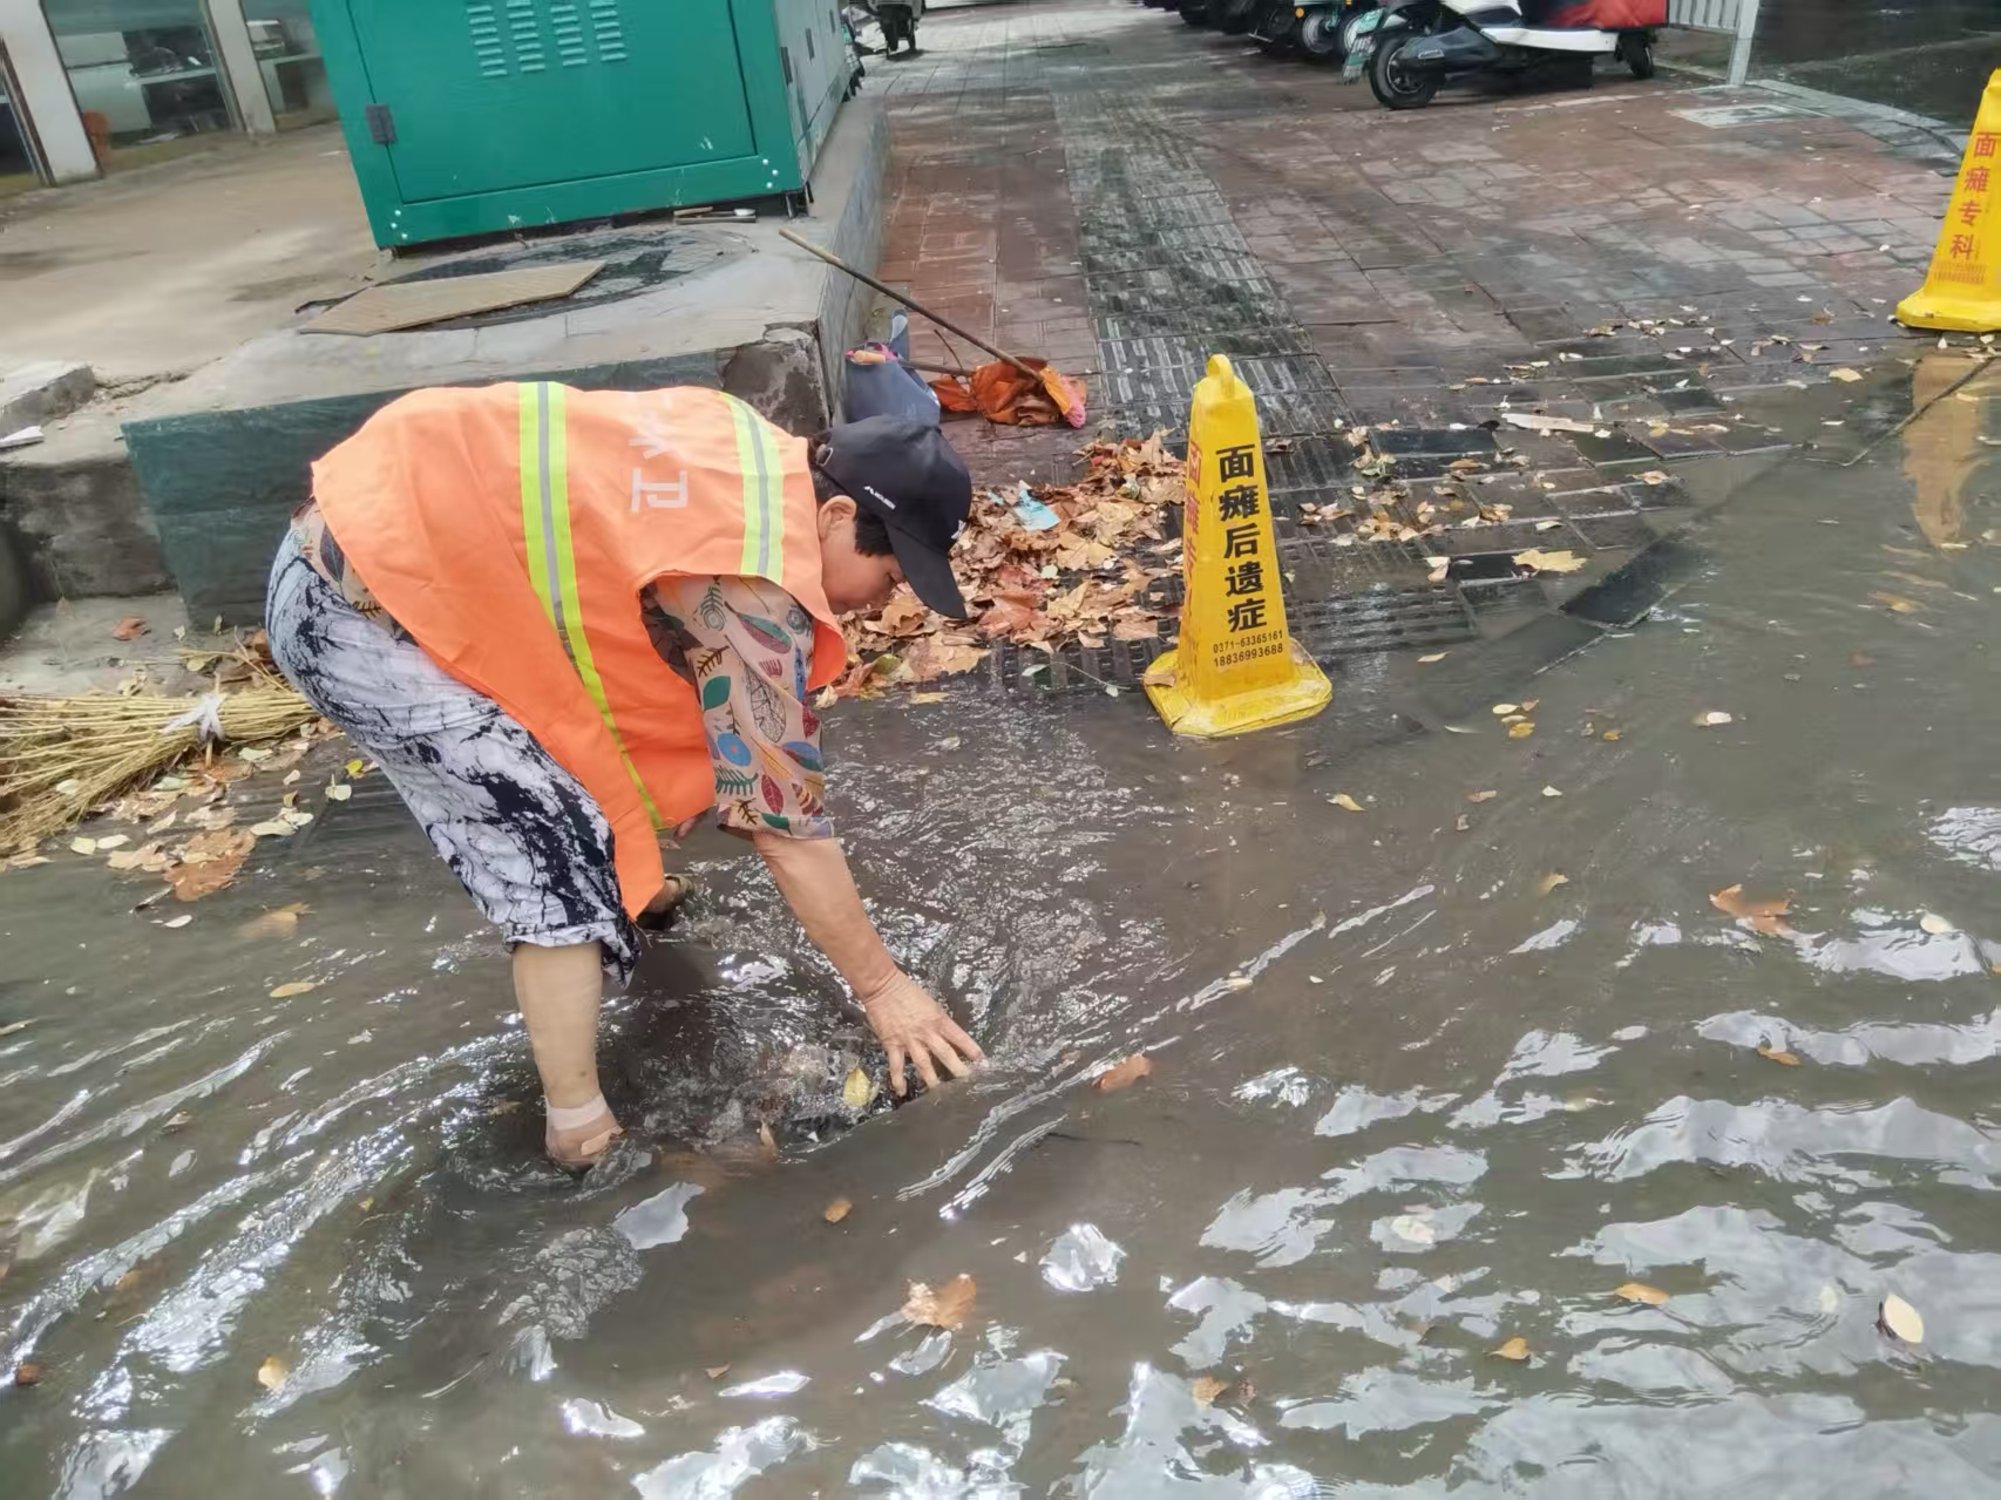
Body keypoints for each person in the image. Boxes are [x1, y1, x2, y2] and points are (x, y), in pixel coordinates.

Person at [265, 383, 985, 1167]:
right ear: (838, 518)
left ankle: (634, 895)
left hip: (370, 534)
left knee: (579, 821)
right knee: (552, 854)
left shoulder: (742, 449)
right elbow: (784, 827)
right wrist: (884, 992)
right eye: (890, 573)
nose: (886, 599)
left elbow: (612, 620)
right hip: (360, 617)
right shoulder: (749, 589)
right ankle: (581, 1134)